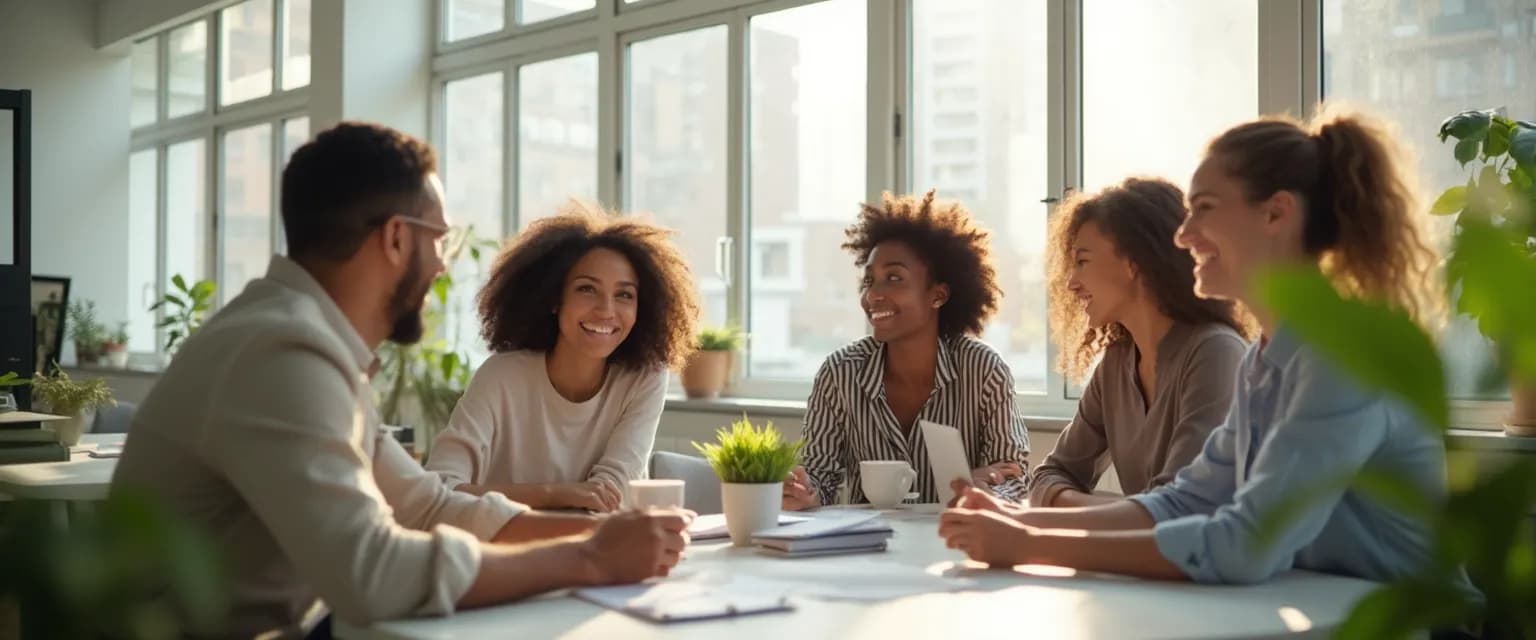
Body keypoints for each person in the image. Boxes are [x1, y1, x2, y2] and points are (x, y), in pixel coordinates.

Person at [111, 122, 691, 638]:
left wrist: (593, 540)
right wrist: (589, 557)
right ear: (395, 238)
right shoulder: (280, 354)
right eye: (438, 239)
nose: (441, 264)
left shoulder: (303, 342)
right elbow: (373, 573)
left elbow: (424, 505)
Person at [940, 107, 1475, 594]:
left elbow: (1244, 544)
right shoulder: (1265, 359)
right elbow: (1185, 502)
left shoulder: (1346, 353)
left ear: (1276, 214)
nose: (1183, 234)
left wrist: (1029, 544)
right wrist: (1018, 522)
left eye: (1205, 209)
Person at [425, 204, 700, 512]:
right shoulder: (501, 376)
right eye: (587, 289)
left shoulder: (645, 375)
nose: (606, 310)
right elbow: (440, 488)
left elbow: (610, 494)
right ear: (554, 298)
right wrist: (554, 494)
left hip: (602, 552)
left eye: (624, 295)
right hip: (509, 551)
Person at [782, 191, 1032, 510]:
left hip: (954, 543)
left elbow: (1014, 476)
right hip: (868, 548)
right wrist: (807, 492)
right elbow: (820, 475)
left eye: (894, 278)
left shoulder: (983, 369)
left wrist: (989, 489)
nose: (873, 295)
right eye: (870, 281)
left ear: (938, 295)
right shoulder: (839, 372)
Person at [1027, 177, 1251, 508]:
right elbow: (1050, 475)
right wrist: (1111, 513)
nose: (1071, 283)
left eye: (1083, 260)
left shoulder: (1216, 353)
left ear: (1134, 262)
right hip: (1139, 556)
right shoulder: (1116, 363)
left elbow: (1178, 509)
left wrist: (1076, 509)